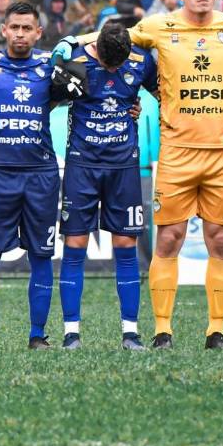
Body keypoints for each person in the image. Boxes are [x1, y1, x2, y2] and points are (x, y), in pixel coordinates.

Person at [57, 0, 223, 350]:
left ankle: (216, 330)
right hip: (176, 154)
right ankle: (162, 330)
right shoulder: (159, 26)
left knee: (219, 240)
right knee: (169, 239)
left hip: (221, 154)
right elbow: (112, 38)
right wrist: (72, 40)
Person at [55, 22, 157, 349]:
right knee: (74, 247)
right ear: (96, 48)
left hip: (124, 166)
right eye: (108, 64)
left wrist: (140, 109)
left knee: (126, 247)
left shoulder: (141, 62)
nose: (113, 70)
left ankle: (131, 332)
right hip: (81, 166)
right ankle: (71, 333)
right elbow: (49, 98)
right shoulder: (74, 61)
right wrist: (57, 59)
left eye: (119, 65)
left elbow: (163, 95)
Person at [0, 1, 58, 349]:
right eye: (14, 27)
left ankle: (38, 336)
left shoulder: (52, 65)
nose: (20, 34)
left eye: (27, 28)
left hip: (41, 174)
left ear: (38, 32)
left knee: (41, 255)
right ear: (3, 29)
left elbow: (97, 75)